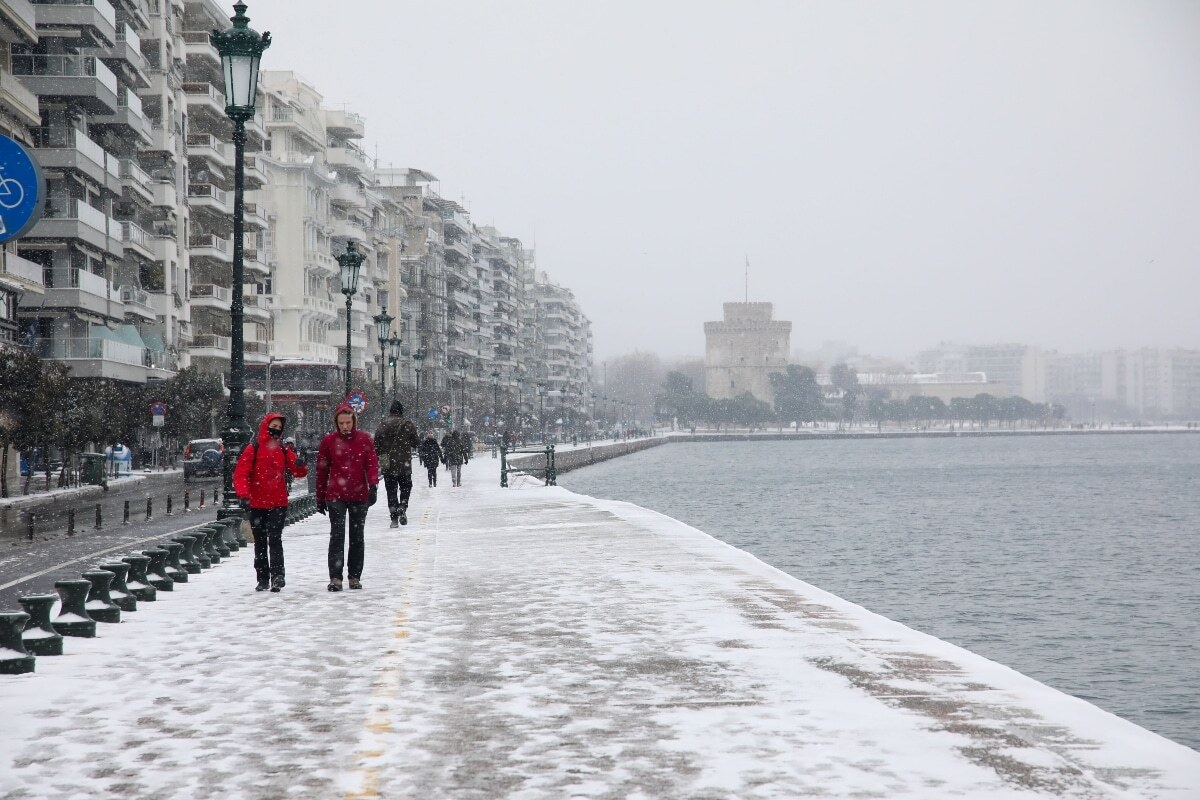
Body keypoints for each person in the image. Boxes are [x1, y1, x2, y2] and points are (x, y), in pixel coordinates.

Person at [233, 413, 307, 592]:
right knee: (260, 542)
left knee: (275, 539)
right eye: (273, 425)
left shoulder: (283, 449)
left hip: (278, 502)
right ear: (266, 426)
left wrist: (300, 463)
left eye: (279, 427)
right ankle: (263, 578)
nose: (276, 429)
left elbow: (298, 472)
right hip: (257, 503)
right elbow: (241, 474)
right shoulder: (254, 448)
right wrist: (244, 495)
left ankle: (278, 576)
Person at [316, 403, 379, 592]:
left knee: (357, 536)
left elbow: (371, 464)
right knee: (337, 535)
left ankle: (354, 576)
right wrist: (320, 497)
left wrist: (373, 485)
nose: (345, 426)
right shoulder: (329, 442)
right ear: (337, 423)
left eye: (348, 422)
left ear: (354, 422)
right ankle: (335, 577)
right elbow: (322, 471)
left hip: (359, 494)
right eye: (341, 423)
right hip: (336, 495)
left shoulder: (364, 440)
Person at [374, 400, 420, 527]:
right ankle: (403, 505)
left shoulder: (382, 425)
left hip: (388, 464)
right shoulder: (407, 424)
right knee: (406, 486)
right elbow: (416, 443)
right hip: (404, 463)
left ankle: (394, 518)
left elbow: (376, 445)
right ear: (401, 411)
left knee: (391, 491)